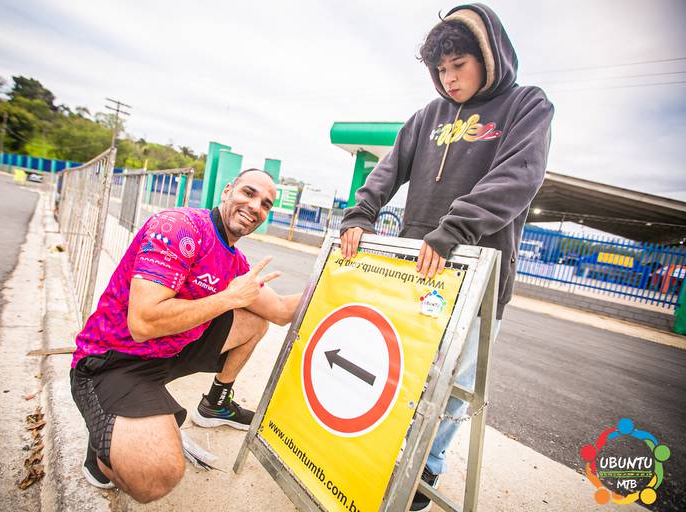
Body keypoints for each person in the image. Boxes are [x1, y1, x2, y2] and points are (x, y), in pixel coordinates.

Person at [339, 4, 553, 510]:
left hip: (478, 271)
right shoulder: (428, 117)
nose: (449, 79)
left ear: (489, 57)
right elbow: (389, 169)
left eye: (459, 65)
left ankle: (427, 465)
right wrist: (361, 212)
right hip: (417, 269)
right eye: (440, 70)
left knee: (454, 381)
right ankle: (387, 448)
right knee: (403, 366)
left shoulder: (527, 105)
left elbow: (519, 176)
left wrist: (453, 228)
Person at [70, 169, 302, 503]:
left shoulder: (234, 260)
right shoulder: (180, 227)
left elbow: (279, 310)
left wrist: (338, 281)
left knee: (255, 322)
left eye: (265, 204)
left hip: (167, 354)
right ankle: (104, 443)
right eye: (248, 193)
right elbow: (143, 322)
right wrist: (228, 298)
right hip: (113, 360)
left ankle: (215, 405)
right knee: (156, 477)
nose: (255, 207)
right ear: (227, 191)